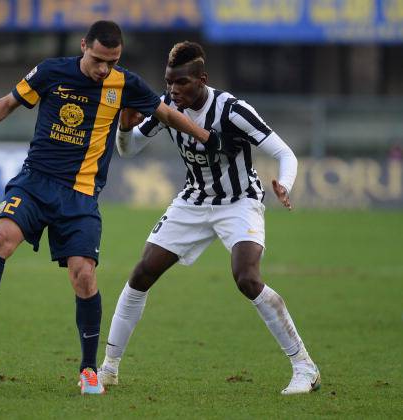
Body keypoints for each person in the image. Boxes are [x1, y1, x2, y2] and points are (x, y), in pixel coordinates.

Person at [0, 22, 236, 395]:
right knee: (1, 237)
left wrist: (207, 137)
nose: (103, 69)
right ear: (83, 46)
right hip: (35, 182)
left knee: (84, 277)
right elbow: (7, 103)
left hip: (80, 196)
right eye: (98, 59)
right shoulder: (51, 71)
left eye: (111, 61)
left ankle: (87, 370)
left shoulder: (124, 83)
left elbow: (165, 113)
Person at [98, 41, 320, 395]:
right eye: (169, 82)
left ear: (202, 78)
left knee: (246, 278)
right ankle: (108, 368)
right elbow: (127, 150)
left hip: (239, 202)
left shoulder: (232, 110)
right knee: (141, 274)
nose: (173, 90)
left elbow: (284, 152)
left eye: (182, 82)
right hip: (193, 202)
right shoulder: (167, 105)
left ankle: (304, 368)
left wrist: (285, 184)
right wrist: (124, 127)